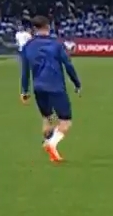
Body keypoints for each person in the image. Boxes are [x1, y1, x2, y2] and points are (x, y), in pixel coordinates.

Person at [18, 15, 80, 162]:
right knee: (65, 121)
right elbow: (68, 65)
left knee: (48, 118)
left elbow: (25, 71)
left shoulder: (27, 46)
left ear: (34, 29)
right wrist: (77, 83)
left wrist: (24, 91)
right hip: (55, 88)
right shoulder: (56, 45)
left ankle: (47, 141)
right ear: (48, 27)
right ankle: (52, 144)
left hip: (39, 88)